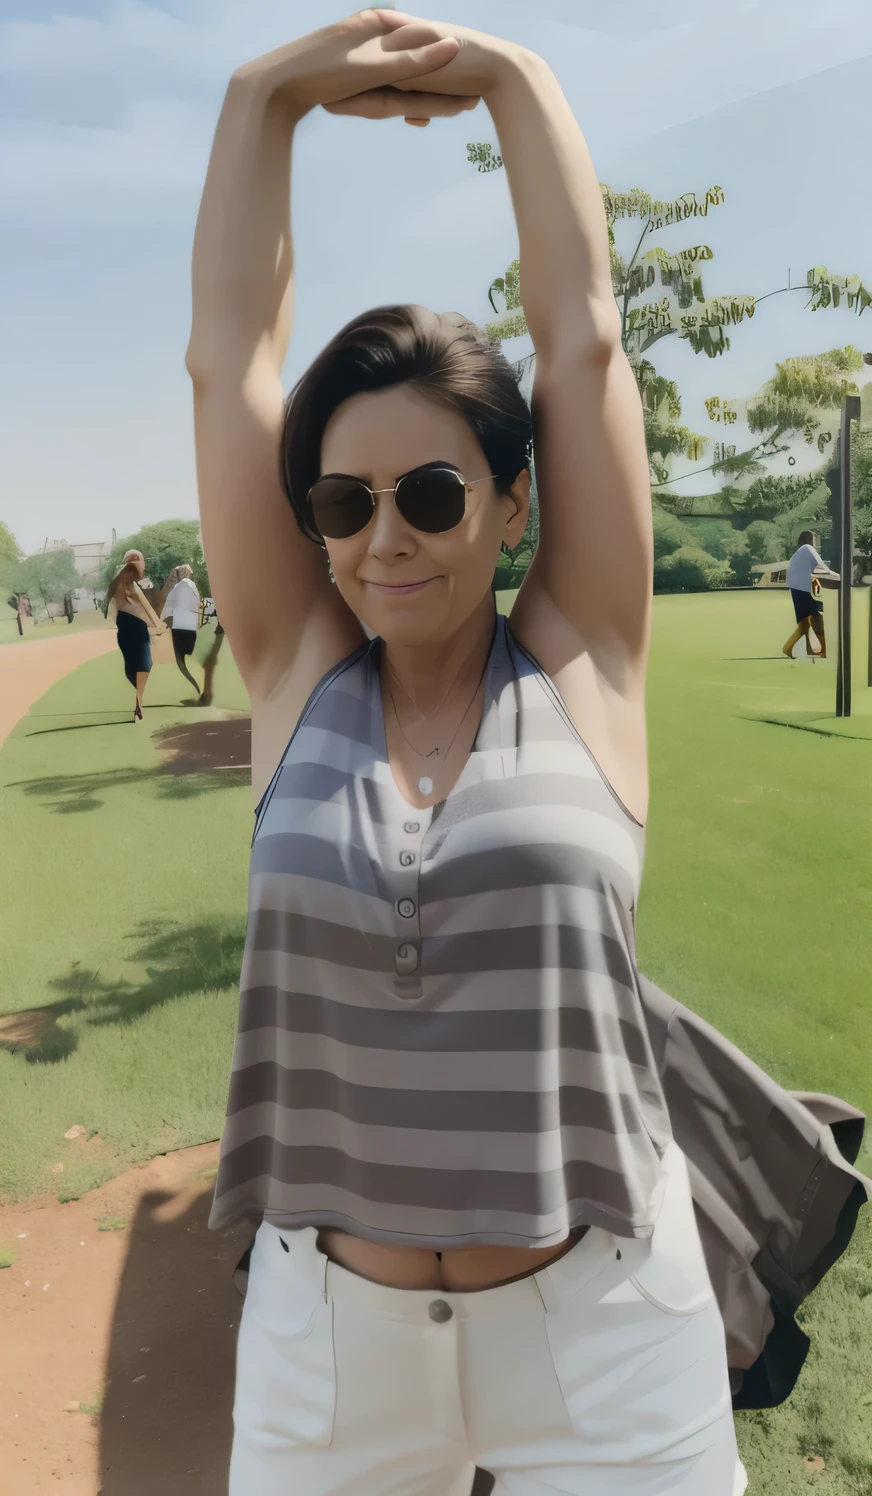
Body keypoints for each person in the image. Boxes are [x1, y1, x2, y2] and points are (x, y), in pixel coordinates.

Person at [184, 13, 866, 1494]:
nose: (384, 540)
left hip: (604, 1337)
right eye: (344, 503)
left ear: (510, 503)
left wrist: (507, 79)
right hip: (328, 1347)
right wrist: (267, 96)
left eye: (432, 492)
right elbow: (227, 358)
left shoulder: (583, 672)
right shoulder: (297, 683)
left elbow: (584, 333)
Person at [103, 549, 166, 720]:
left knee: (135, 666)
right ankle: (139, 699)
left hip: (125, 626)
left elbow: (109, 603)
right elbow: (145, 606)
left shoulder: (121, 581)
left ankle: (139, 701)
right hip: (134, 626)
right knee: (143, 665)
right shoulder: (128, 583)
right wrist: (158, 624)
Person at [782, 530, 840, 658]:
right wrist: (840, 577)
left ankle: (787, 648)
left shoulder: (799, 552)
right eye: (812, 539)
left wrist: (814, 579)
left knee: (804, 625)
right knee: (817, 619)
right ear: (808, 540)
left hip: (797, 590)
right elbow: (822, 568)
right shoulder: (808, 549)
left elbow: (807, 570)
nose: (814, 542)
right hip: (801, 590)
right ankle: (824, 651)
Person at [160, 563, 203, 696]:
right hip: (191, 628)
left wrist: (164, 621)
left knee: (181, 662)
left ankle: (198, 687)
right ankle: (200, 687)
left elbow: (168, 603)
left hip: (179, 628)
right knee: (188, 659)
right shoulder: (192, 586)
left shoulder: (179, 587)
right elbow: (197, 606)